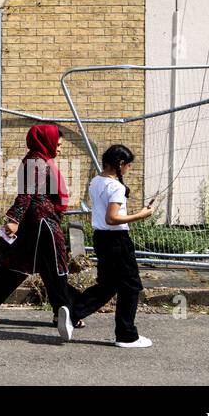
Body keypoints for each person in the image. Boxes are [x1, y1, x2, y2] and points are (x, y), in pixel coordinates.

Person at [0, 123, 76, 341]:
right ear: (46, 141)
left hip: (38, 220)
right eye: (57, 144)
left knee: (21, 263)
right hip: (41, 222)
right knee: (55, 267)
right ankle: (66, 311)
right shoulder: (36, 162)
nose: (60, 148)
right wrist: (14, 219)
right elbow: (26, 194)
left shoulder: (40, 160)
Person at [70, 144, 154, 348]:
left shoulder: (95, 181)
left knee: (108, 284)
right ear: (121, 164)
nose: (128, 170)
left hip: (101, 238)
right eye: (128, 166)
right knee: (131, 286)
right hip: (117, 240)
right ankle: (126, 335)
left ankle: (72, 312)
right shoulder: (115, 186)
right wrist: (141, 215)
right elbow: (112, 218)